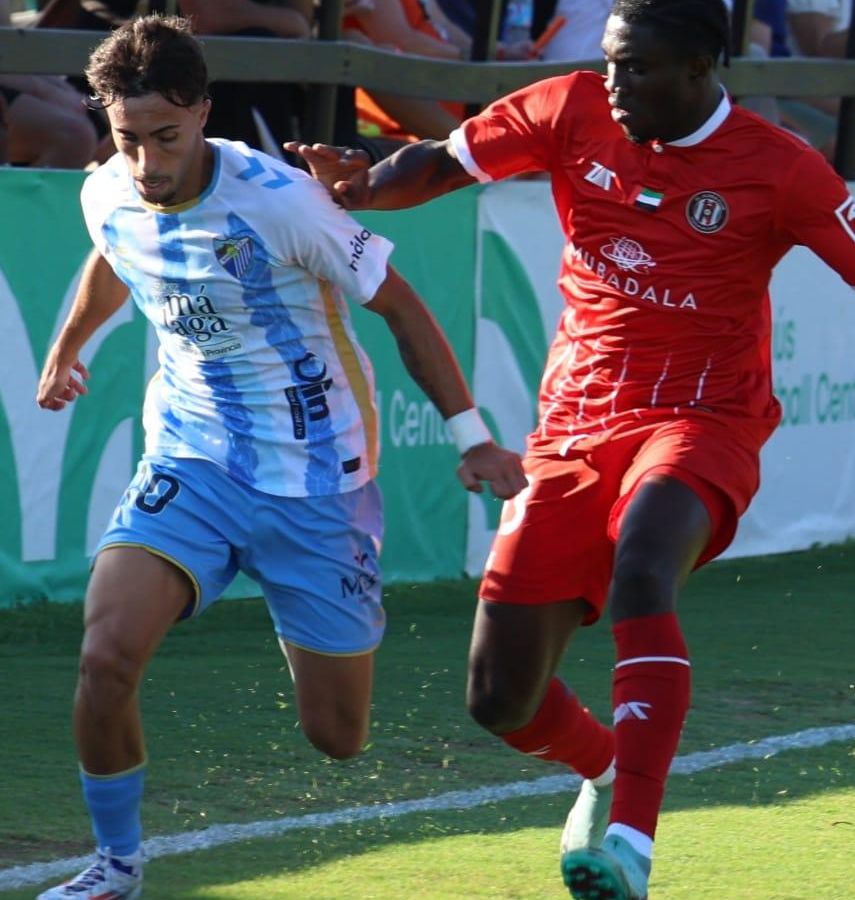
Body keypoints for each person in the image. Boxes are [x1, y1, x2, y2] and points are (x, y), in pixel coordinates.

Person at [287, 0, 855, 896]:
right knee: (499, 699)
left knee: (643, 560)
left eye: (636, 68)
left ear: (700, 70)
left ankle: (632, 840)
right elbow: (442, 162)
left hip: (705, 420)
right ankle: (605, 768)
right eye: (610, 62)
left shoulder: (780, 167)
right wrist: (364, 187)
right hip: (575, 427)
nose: (614, 83)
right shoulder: (570, 107)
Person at [32, 15, 526, 899]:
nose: (146, 162)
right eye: (128, 138)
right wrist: (69, 347)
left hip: (317, 481)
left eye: (165, 137)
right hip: (192, 458)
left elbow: (402, 308)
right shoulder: (107, 190)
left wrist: (473, 436)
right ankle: (115, 866)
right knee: (105, 656)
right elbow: (113, 253)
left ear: (203, 111)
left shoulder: (282, 201)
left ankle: (304, 601)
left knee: (338, 736)